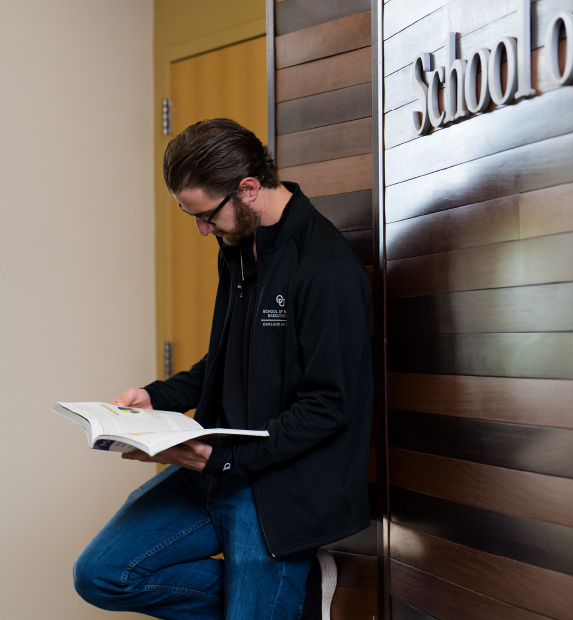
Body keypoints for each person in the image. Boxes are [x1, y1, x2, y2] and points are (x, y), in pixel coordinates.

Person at [72, 118, 373, 620]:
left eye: (207, 216)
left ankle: (286, 592)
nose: (202, 229)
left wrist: (224, 460)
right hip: (217, 472)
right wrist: (158, 396)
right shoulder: (237, 249)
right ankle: (293, 596)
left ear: (248, 188)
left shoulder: (326, 270)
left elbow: (328, 407)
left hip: (280, 487)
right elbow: (227, 358)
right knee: (102, 574)